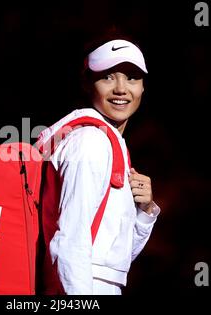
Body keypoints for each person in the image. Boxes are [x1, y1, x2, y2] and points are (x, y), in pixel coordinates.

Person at [34, 31, 161, 295]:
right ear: (86, 83)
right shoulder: (90, 142)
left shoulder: (109, 142)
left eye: (132, 78)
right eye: (107, 76)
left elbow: (115, 261)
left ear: (143, 87)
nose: (121, 89)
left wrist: (144, 210)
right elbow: (70, 239)